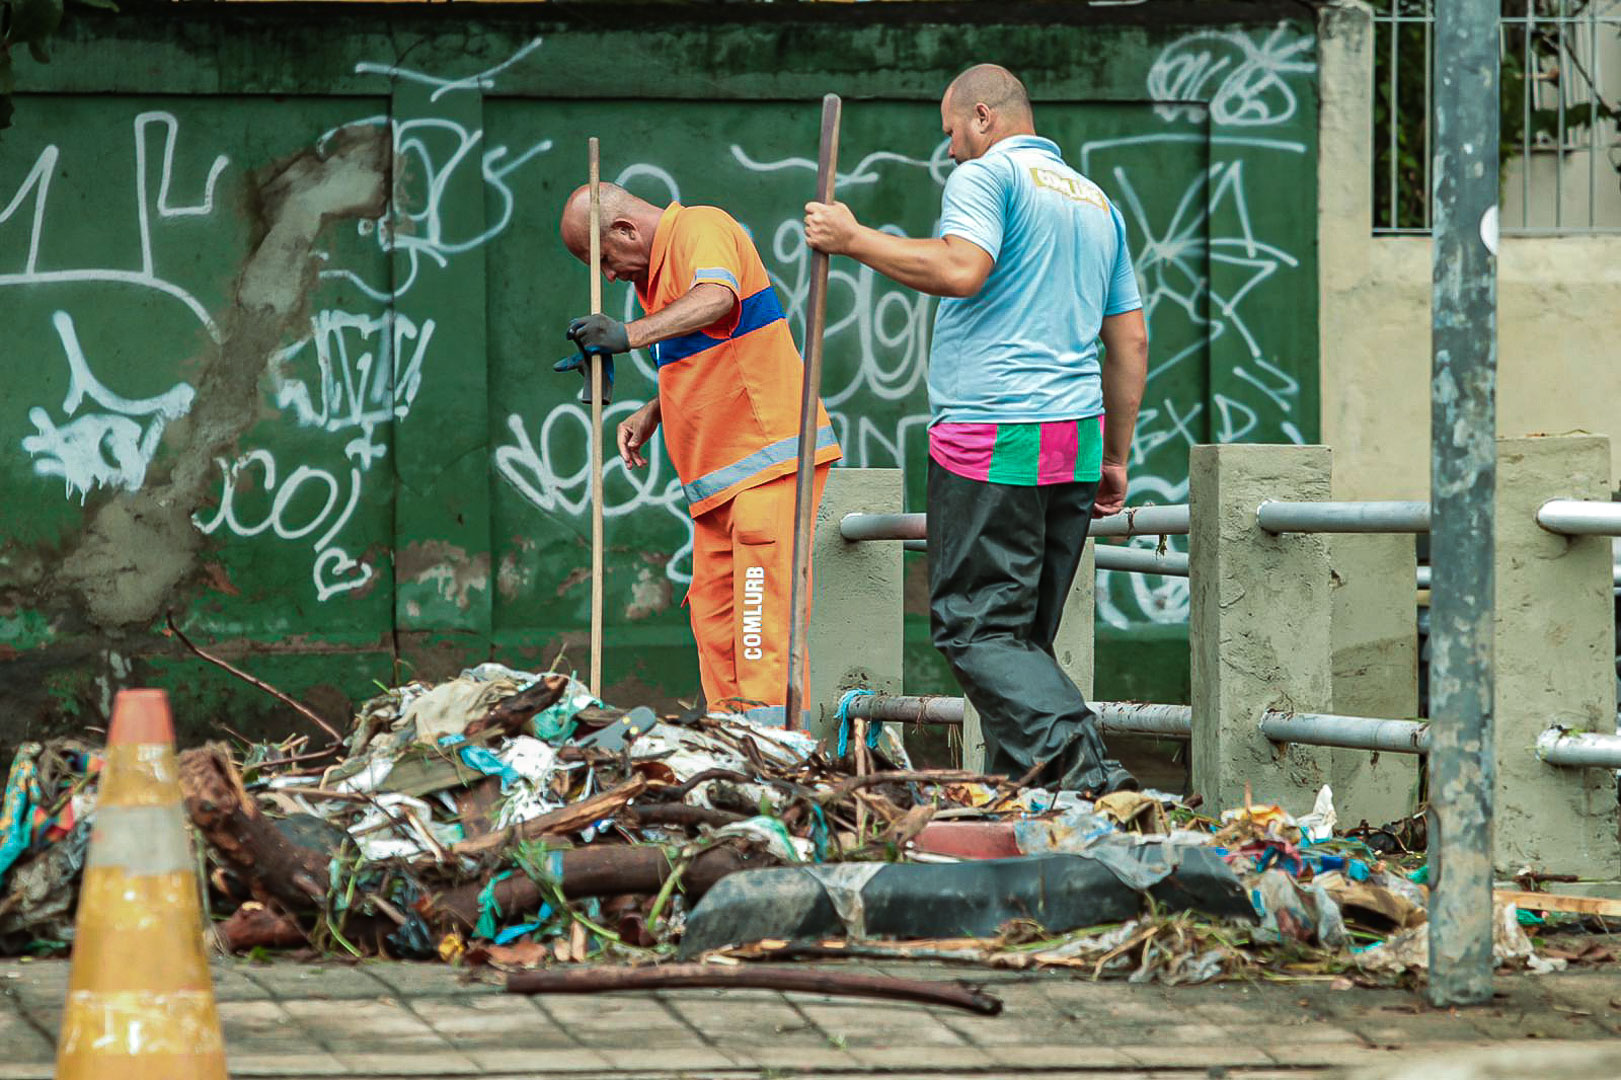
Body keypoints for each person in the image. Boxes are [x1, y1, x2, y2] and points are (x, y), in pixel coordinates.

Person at [803, 64, 1148, 795]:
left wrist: (853, 236)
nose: (951, 151)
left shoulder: (989, 177)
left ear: (983, 117)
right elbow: (1130, 342)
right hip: (1075, 441)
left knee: (975, 630)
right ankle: (1026, 802)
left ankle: (1088, 768)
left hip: (996, 435)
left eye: (952, 132)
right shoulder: (1095, 202)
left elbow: (962, 269)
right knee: (1020, 641)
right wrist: (1115, 454)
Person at [558, 183, 842, 725]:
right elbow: (715, 342)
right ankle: (734, 749)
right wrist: (654, 408)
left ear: (625, 230)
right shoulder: (661, 273)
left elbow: (719, 299)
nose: (611, 276)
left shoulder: (700, 227)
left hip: (765, 468)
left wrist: (629, 335)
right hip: (718, 488)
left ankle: (778, 770)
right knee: (716, 633)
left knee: (761, 637)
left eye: (607, 261)